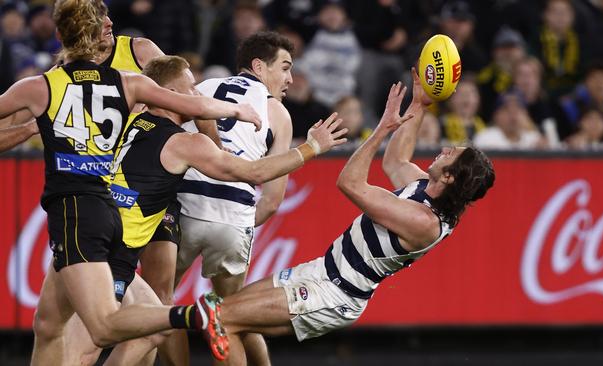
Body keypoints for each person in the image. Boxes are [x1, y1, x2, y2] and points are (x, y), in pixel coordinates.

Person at [0, 0, 263, 364]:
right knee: (49, 325)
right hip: (110, 208)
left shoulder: (42, 86)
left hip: (77, 212)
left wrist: (37, 123)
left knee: (103, 326)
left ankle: (192, 315)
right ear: (95, 34)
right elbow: (195, 103)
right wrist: (237, 109)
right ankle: (179, 314)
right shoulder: (129, 82)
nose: (111, 23)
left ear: (60, 35)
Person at [66, 54, 347, 365]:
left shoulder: (126, 121)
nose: (200, 95)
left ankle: (190, 315)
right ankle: (196, 314)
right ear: (169, 96)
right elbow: (253, 174)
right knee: (98, 338)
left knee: (149, 320)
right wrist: (311, 148)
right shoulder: (184, 143)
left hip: (83, 232)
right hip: (116, 247)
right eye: (192, 89)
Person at [198, 69, 495, 362]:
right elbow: (396, 160)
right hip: (320, 273)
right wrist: (419, 103)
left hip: (332, 294)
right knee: (237, 317)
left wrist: (381, 129)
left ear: (449, 178)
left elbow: (349, 183)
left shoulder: (424, 221)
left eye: (450, 154)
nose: (443, 149)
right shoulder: (425, 188)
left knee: (223, 318)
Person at [173, 31, 296, 366]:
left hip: (181, 208)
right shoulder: (278, 113)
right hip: (232, 215)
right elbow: (271, 201)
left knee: (158, 306)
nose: (290, 79)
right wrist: (234, 218)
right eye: (284, 68)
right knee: (232, 315)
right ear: (258, 66)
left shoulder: (203, 86)